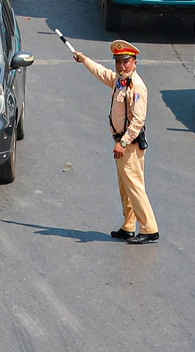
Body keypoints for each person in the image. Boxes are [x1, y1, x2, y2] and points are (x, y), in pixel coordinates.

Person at [67, 38, 157, 243]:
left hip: (129, 145)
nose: (121, 66)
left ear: (135, 63)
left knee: (134, 186)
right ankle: (128, 226)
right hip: (122, 143)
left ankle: (149, 228)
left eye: (125, 62)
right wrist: (84, 59)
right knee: (125, 187)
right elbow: (101, 73)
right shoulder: (119, 80)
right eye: (118, 62)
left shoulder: (137, 87)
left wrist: (123, 143)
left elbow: (138, 121)